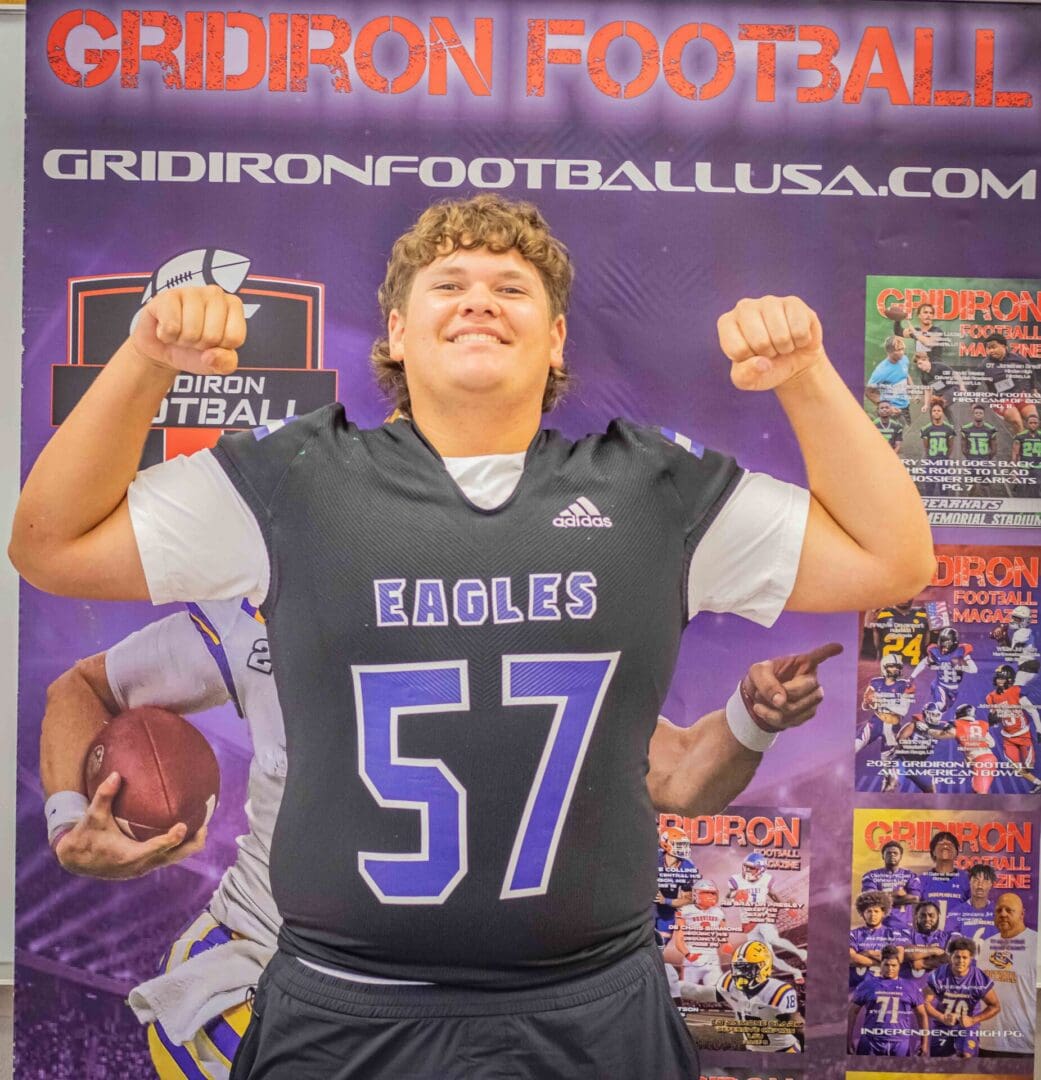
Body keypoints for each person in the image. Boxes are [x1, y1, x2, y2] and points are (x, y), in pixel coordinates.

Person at [11, 194, 933, 1079]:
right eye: (447, 285)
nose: (479, 300)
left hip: (591, 1006)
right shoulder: (292, 478)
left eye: (511, 287)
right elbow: (50, 545)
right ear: (396, 334)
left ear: (556, 338)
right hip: (345, 1003)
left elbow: (890, 560)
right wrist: (146, 359)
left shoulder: (648, 489)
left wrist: (805, 377)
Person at [41, 604, 839, 1078]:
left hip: (488, 996)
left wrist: (750, 719)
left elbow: (678, 774)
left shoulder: (542, 619)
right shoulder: (267, 601)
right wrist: (70, 817)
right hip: (276, 968)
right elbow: (84, 685)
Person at [681, 940, 803, 1053]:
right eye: (737, 968)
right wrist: (674, 985)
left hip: (784, 1051)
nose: (739, 973)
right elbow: (699, 992)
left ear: (762, 966)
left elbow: (798, 1027)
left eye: (745, 968)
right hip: (753, 1051)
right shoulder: (731, 985)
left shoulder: (777, 992)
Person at [723, 852, 806, 981]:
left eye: (752, 868)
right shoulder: (736, 880)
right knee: (769, 958)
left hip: (763, 917)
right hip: (749, 923)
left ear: (761, 869)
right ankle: (795, 972)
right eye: (746, 867)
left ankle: (801, 952)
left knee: (773, 939)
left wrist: (787, 907)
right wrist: (734, 895)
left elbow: (774, 895)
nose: (748, 870)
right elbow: (727, 898)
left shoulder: (765, 879)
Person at [978, 893, 1036, 1056]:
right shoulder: (987, 945)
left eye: (1009, 910)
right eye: (999, 910)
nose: (1003, 914)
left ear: (1022, 914)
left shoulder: (1037, 945)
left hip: (1024, 1047)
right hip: (987, 1044)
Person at [923, 936, 1000, 1058]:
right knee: (938, 1062)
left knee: (966, 1055)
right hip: (943, 1024)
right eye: (957, 957)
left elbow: (995, 1006)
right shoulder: (939, 975)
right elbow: (925, 1003)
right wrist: (942, 1017)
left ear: (971, 958)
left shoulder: (979, 978)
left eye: (965, 957)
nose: (960, 961)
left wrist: (973, 1020)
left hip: (967, 1026)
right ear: (950, 957)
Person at [847, 945, 928, 1057]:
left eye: (894, 965)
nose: (890, 969)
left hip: (900, 1042)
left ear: (899, 966)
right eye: (886, 965)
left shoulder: (910, 986)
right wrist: (848, 1039)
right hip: (871, 1040)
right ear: (881, 964)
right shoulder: (868, 985)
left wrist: (924, 1043)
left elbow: (922, 1015)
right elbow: (852, 1012)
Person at [984, 664, 1041, 793]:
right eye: (997, 677)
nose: (998, 680)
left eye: (1001, 677)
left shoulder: (1017, 691)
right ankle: (1038, 783)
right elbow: (994, 719)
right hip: (1008, 738)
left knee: (1029, 766)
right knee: (1015, 766)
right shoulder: (991, 697)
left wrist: (1039, 730)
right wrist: (992, 720)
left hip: (1023, 735)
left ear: (1009, 679)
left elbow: (1032, 711)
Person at [855, 654, 915, 753]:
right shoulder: (875, 683)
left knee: (887, 758)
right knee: (855, 746)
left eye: (897, 667)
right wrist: (867, 702)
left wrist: (881, 701)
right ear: (884, 667)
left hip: (892, 725)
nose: (895, 669)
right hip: (876, 722)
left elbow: (903, 710)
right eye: (892, 666)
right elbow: (865, 707)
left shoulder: (905, 685)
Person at [982, 332, 1037, 436]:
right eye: (988, 348)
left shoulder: (1018, 358)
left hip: (1018, 394)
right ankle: (1020, 444)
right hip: (1000, 398)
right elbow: (971, 385)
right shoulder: (985, 364)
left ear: (1003, 346)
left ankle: (1031, 442)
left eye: (993, 347)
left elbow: (1030, 370)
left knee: (1034, 419)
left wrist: (1033, 389)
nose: (991, 351)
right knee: (1017, 421)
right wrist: (973, 403)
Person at [911, 627, 976, 715]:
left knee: (943, 710)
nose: (943, 648)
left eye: (947, 645)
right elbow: (924, 662)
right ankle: (925, 715)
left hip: (953, 688)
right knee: (940, 706)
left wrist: (959, 666)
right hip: (940, 685)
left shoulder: (961, 651)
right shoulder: (936, 652)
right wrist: (912, 676)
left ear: (954, 643)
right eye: (942, 644)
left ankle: (930, 716)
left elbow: (974, 669)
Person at [849, 890, 906, 989]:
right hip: (857, 987)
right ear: (862, 913)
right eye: (869, 911)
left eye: (876, 911)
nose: (873, 915)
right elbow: (851, 958)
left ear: (883, 913)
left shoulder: (893, 933)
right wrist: (883, 962)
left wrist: (868, 953)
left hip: (885, 988)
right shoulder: (854, 934)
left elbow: (899, 958)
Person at [860, 841, 920, 931]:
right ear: (883, 856)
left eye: (895, 853)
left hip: (903, 926)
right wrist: (897, 894)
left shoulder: (910, 875)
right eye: (888, 853)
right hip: (878, 926)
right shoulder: (871, 875)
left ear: (901, 856)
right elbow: (870, 899)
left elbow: (915, 898)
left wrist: (881, 896)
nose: (892, 855)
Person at [917, 831, 970, 927]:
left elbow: (975, 910)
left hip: (959, 934)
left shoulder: (967, 879)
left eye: (950, 843)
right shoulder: (922, 879)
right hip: (929, 934)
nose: (945, 845)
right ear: (933, 851)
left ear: (956, 852)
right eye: (940, 843)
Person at [866, 335, 913, 421]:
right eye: (898, 350)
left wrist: (912, 387)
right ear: (889, 351)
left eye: (902, 349)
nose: (902, 352)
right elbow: (869, 392)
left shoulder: (904, 359)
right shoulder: (881, 370)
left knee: (907, 426)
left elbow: (906, 374)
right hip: (892, 411)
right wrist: (888, 407)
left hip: (905, 406)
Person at [948, 865, 998, 944]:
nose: (980, 885)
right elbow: (953, 945)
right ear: (969, 882)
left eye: (985, 881)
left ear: (991, 884)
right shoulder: (956, 912)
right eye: (975, 880)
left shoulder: (998, 912)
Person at [900, 902, 950, 982]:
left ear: (938, 916)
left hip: (937, 987)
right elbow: (905, 952)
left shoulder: (948, 936)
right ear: (916, 917)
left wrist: (923, 963)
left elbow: (951, 958)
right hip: (907, 986)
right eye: (922, 915)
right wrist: (936, 951)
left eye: (931, 915)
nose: (927, 919)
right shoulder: (906, 933)